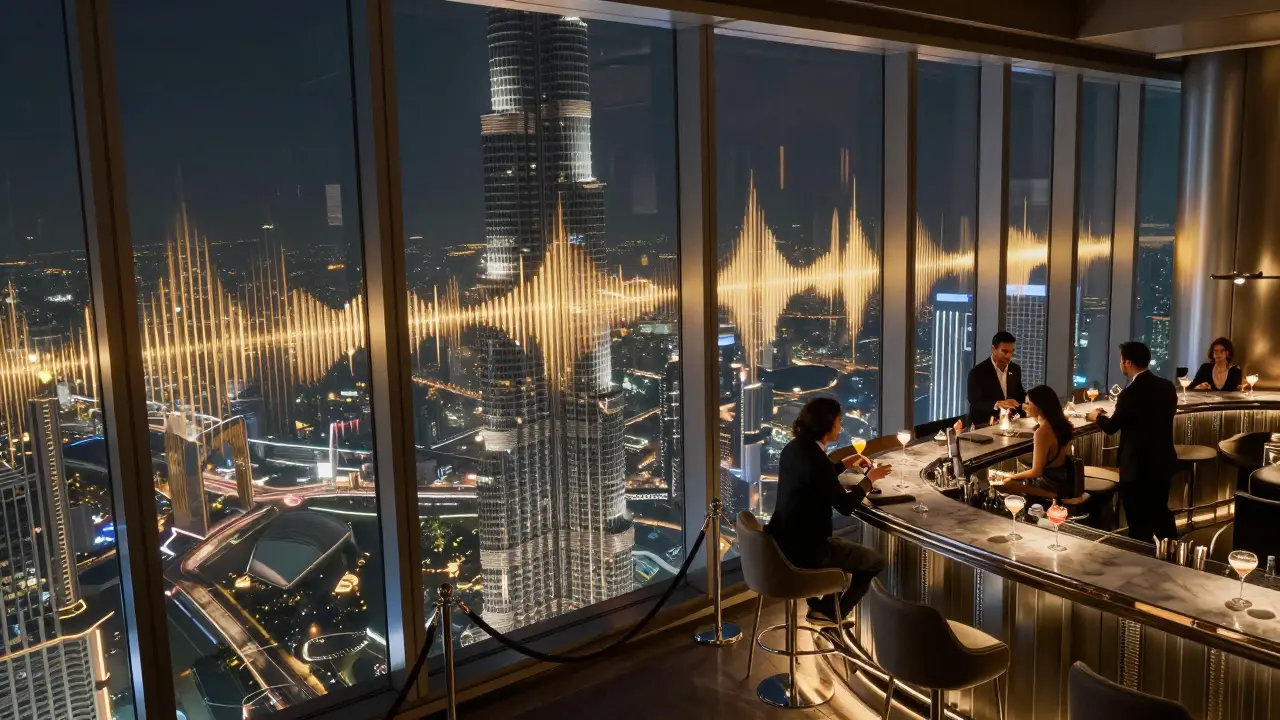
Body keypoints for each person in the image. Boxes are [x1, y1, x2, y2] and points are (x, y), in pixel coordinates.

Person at [767, 397, 892, 624]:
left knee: (849, 553)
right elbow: (845, 507)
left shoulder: (793, 449)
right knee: (875, 561)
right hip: (808, 552)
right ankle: (832, 612)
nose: (841, 426)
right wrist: (869, 480)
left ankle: (823, 606)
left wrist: (844, 463)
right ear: (827, 427)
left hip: (781, 545)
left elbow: (814, 477)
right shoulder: (817, 461)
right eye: (838, 421)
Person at [1087, 342, 1178, 542]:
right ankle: (1173, 555)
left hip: (1137, 466)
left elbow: (1111, 427)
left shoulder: (1130, 394)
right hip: (1163, 460)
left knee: (1137, 519)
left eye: (1121, 360)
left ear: (1127, 362)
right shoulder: (1167, 386)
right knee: (1159, 511)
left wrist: (1096, 417)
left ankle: (1139, 559)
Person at [1001, 386, 1078, 499]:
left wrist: (1011, 477)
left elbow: (1036, 471)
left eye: (1028, 403)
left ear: (1039, 406)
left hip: (1052, 486)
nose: (1024, 406)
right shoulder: (1058, 424)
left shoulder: (1042, 432)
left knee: (1006, 484)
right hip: (1064, 481)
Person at [967, 331, 1027, 427]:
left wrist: (1029, 402)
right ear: (993, 349)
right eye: (1005, 351)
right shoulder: (977, 372)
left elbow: (1019, 394)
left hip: (1008, 424)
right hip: (983, 426)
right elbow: (975, 402)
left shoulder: (1015, 369)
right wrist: (997, 404)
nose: (1009, 356)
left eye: (1012, 352)